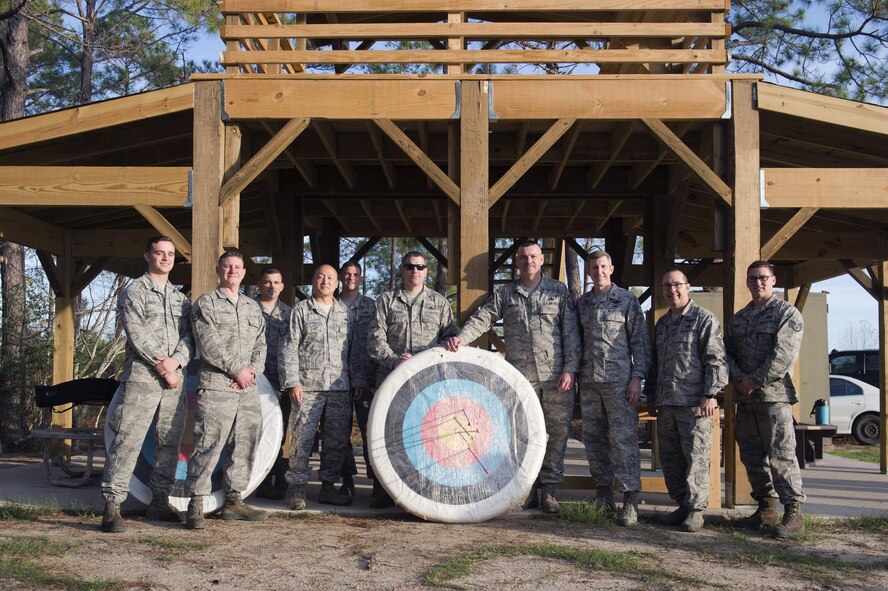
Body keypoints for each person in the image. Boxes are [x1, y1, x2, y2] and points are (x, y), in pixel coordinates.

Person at [444, 240, 580, 514]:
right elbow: (483, 318)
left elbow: (571, 333)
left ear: (541, 260)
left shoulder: (558, 291)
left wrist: (570, 368)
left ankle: (549, 491)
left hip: (555, 377)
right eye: (523, 257)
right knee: (522, 433)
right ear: (517, 262)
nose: (529, 261)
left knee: (556, 433)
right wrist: (461, 338)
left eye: (533, 256)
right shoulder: (506, 294)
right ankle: (528, 489)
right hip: (521, 378)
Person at [100, 236, 194, 533]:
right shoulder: (134, 292)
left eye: (170, 254)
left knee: (169, 442)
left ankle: (160, 502)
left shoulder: (181, 299)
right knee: (127, 440)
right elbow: (136, 333)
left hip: (173, 382)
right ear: (147, 256)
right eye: (159, 253)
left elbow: (189, 337)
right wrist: (164, 366)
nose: (165, 258)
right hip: (142, 379)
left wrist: (176, 361)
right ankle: (112, 506)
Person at [184, 249, 268, 529]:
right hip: (217, 386)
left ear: (244, 273)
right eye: (227, 266)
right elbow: (208, 343)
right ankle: (195, 504)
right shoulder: (206, 303)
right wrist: (237, 371)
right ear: (219, 271)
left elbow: (261, 344)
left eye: (237, 267)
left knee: (243, 444)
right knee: (208, 444)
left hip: (247, 388)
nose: (233, 271)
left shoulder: (252, 307)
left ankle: (233, 501)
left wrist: (252, 371)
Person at [368, 251, 457, 506]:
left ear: (426, 271)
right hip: (391, 380)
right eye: (409, 266)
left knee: (427, 436)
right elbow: (375, 339)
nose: (414, 271)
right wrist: (394, 360)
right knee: (387, 435)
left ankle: (425, 490)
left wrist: (435, 354)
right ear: (402, 270)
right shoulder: (385, 301)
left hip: (428, 384)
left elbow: (449, 338)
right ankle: (384, 489)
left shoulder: (439, 303)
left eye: (419, 267)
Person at [726, 260, 806, 538]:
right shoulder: (738, 319)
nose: (757, 283)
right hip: (746, 400)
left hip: (774, 398)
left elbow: (783, 355)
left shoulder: (786, 314)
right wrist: (740, 378)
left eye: (762, 277)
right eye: (752, 278)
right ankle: (766, 508)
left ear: (773, 280)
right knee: (751, 455)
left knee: (781, 455)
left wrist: (754, 380)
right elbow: (727, 354)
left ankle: (793, 513)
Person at [645, 269, 727, 532]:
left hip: (695, 404)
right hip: (667, 403)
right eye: (667, 286)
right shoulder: (662, 325)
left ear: (688, 287)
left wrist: (711, 393)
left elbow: (716, 359)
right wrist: (652, 396)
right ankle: (682, 504)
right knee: (671, 459)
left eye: (677, 285)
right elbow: (655, 364)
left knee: (696, 459)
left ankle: (696, 510)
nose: (672, 290)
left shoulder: (703, 319)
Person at [577, 249, 649, 526]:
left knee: (623, 441)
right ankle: (604, 494)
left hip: (619, 383)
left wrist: (637, 377)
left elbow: (639, 342)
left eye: (603, 266)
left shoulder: (626, 300)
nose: (599, 271)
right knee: (594, 439)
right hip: (589, 382)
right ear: (588, 271)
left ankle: (630, 500)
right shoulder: (582, 304)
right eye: (594, 267)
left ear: (611, 269)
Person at [280, 264, 354, 510]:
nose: (325, 281)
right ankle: (298, 489)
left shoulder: (345, 313)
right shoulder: (301, 310)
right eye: (321, 277)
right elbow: (289, 348)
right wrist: (293, 382)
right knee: (301, 439)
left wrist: (356, 381)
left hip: (339, 388)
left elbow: (354, 350)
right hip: (307, 388)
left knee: (336, 441)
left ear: (337, 283)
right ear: (313, 281)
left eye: (330, 277)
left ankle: (328, 487)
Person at [337, 261, 381, 504]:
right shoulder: (330, 304)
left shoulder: (372, 306)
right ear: (341, 277)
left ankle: (376, 482)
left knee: (369, 431)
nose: (351, 277)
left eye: (355, 274)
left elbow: (376, 343)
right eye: (347, 274)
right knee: (339, 433)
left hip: (366, 380)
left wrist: (365, 379)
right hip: (338, 380)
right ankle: (346, 481)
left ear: (361, 278)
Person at [253, 267, 292, 501]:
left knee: (278, 433)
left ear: (282, 286)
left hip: (280, 384)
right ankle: (258, 481)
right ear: (259, 284)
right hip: (253, 381)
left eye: (276, 283)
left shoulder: (290, 313)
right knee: (254, 432)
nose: (272, 286)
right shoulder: (248, 309)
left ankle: (276, 476)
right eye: (267, 282)